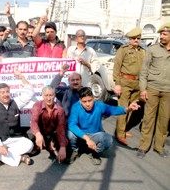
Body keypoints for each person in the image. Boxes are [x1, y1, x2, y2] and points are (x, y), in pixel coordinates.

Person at [68, 87, 140, 165]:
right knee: (70, 133)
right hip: (81, 135)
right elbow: (72, 125)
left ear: (94, 98)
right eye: (84, 102)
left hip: (95, 134)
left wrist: (128, 109)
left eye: (90, 100)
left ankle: (94, 152)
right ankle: (75, 150)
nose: (88, 104)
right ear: (80, 101)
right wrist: (87, 139)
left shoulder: (99, 106)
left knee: (108, 140)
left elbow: (113, 109)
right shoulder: (76, 107)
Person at [0, 71, 35, 166]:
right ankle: (21, 158)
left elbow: (30, 93)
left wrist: (22, 77)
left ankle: (4, 156)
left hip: (15, 139)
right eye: (2, 92)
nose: (6, 94)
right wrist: (0, 145)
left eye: (7, 92)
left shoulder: (16, 103)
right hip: (0, 139)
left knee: (29, 144)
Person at [137, 23, 170, 159]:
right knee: (148, 118)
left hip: (168, 91)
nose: (161, 36)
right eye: (161, 34)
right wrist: (143, 89)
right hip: (153, 88)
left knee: (164, 120)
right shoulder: (153, 49)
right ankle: (143, 146)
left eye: (164, 34)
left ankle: (159, 147)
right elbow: (144, 70)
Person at [113, 27, 145, 145]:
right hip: (125, 82)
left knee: (132, 107)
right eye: (133, 38)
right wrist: (117, 84)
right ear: (130, 39)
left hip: (138, 83)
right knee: (123, 107)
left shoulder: (142, 51)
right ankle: (119, 134)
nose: (136, 40)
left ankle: (123, 129)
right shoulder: (124, 49)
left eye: (138, 38)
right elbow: (117, 66)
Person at [27, 85, 68, 163]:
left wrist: (63, 147)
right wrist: (38, 134)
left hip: (52, 133)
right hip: (40, 132)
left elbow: (61, 128)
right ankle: (38, 146)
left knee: (64, 144)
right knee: (30, 134)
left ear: (54, 95)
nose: (48, 98)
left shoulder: (60, 109)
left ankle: (51, 146)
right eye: (46, 95)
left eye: (51, 95)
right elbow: (34, 122)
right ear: (42, 96)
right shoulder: (37, 106)